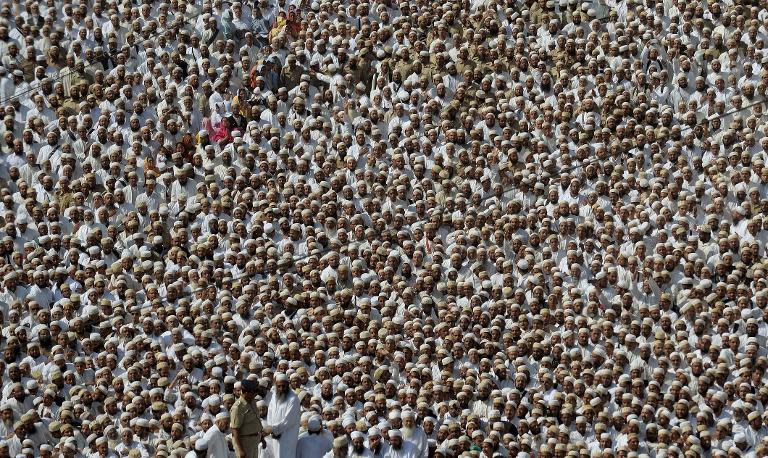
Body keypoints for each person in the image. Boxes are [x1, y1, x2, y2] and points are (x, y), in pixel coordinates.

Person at [265, 373, 300, 458]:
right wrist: (271, 428)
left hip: (287, 436)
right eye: (279, 386)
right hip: (274, 435)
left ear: (288, 385)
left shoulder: (293, 399)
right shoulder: (274, 396)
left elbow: (289, 420)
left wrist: (275, 429)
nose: (281, 388)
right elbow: (270, 414)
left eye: (283, 386)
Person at [231, 380, 268, 458]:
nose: (256, 393)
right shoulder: (238, 407)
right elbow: (235, 430)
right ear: (247, 392)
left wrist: (262, 438)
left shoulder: (252, 401)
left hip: (254, 442)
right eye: (254, 391)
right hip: (245, 443)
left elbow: (255, 421)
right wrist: (240, 450)